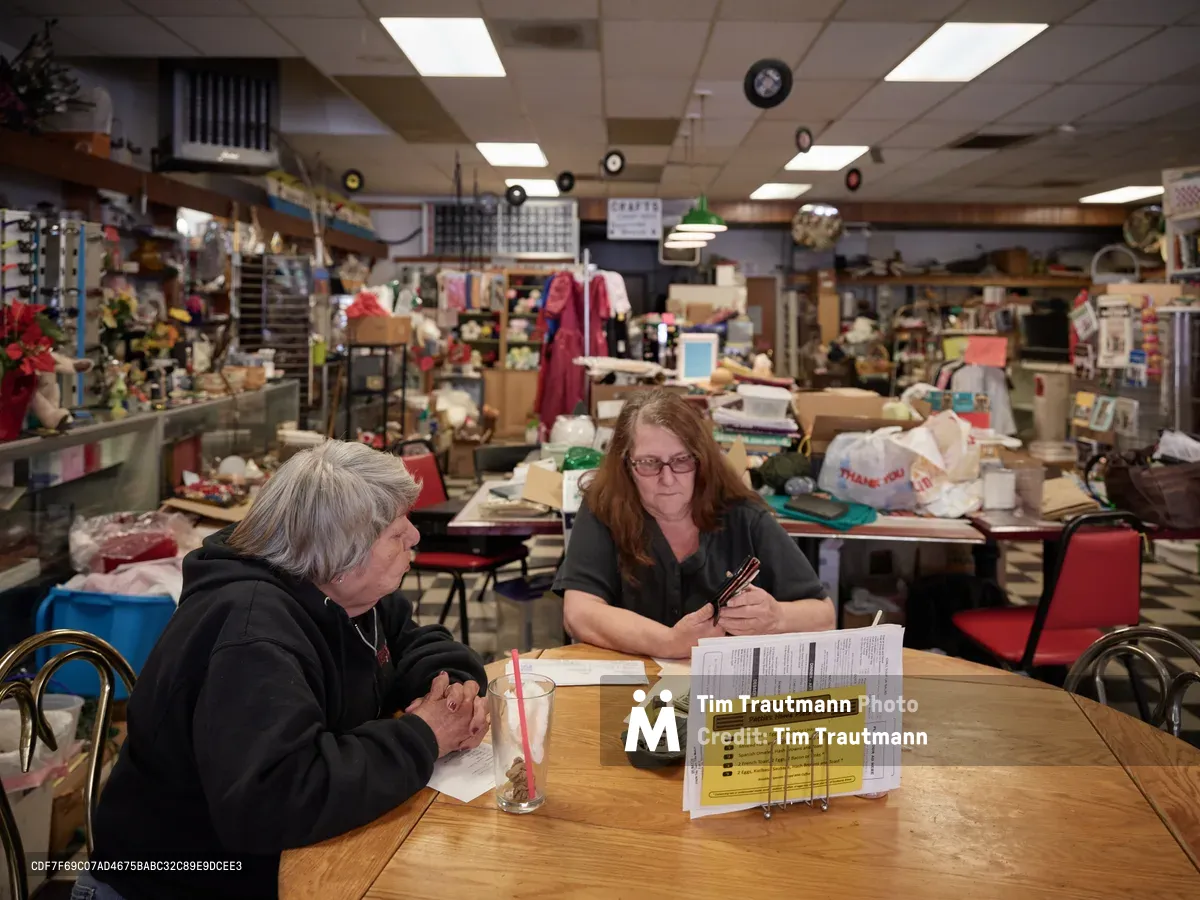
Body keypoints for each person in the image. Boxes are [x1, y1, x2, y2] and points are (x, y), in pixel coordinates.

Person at [78, 441, 488, 900]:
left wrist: (453, 691)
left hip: (270, 867)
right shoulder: (252, 633)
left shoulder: (347, 594)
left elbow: (411, 642)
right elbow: (274, 799)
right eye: (396, 531)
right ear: (342, 555)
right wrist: (424, 735)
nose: (414, 537)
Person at [555, 389, 834, 659]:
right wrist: (669, 643)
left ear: (701, 460)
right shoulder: (604, 508)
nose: (667, 479)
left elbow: (824, 614)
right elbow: (579, 612)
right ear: (625, 464)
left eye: (681, 460)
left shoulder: (743, 516)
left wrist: (777, 617)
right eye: (649, 463)